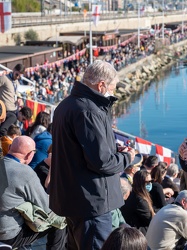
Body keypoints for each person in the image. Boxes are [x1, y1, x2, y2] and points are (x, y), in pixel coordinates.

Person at [49, 60, 135, 250]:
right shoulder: (89, 111)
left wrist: (113, 151)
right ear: (101, 85)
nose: (114, 92)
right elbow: (101, 162)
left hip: (74, 199)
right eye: (113, 87)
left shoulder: (67, 105)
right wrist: (127, 158)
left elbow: (82, 152)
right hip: (91, 202)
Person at [0, 136, 66, 249]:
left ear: (10, 147)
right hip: (8, 234)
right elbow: (46, 206)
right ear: (30, 154)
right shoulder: (24, 172)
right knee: (59, 221)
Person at [120, 170, 155, 235]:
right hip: (138, 234)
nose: (150, 184)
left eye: (151, 181)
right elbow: (150, 220)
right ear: (140, 183)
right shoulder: (140, 200)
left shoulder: (132, 193)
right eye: (147, 182)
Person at [0, 64, 24, 137]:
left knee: (12, 132)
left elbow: (16, 92)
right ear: (13, 70)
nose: (17, 77)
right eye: (17, 74)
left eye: (19, 76)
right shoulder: (4, 78)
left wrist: (19, 98)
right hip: (5, 110)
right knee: (3, 130)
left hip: (13, 110)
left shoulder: (16, 82)